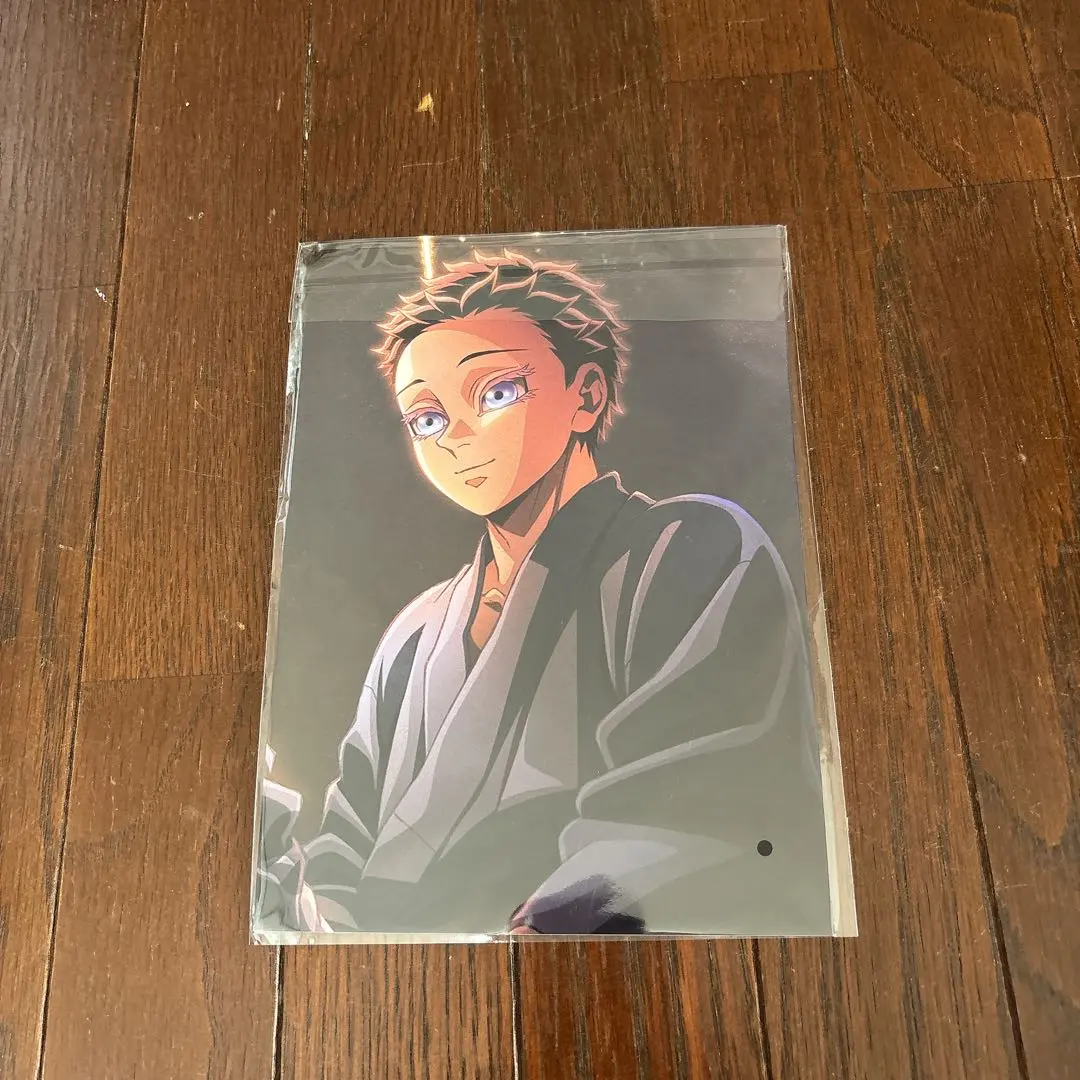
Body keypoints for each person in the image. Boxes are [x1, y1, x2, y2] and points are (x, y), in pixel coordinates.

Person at [256, 252, 831, 936]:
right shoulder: (413, 635)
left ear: (585, 396)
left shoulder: (687, 549)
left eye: (496, 392)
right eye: (427, 419)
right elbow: (345, 854)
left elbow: (703, 809)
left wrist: (529, 943)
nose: (456, 436)